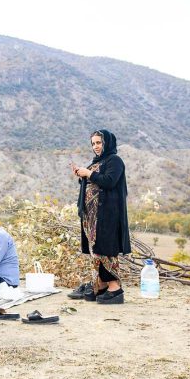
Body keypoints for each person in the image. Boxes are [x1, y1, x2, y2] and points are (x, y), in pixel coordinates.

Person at [71, 129, 131, 304]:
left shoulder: (115, 161)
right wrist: (81, 175)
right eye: (93, 143)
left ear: (107, 143)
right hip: (91, 217)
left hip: (107, 216)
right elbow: (94, 182)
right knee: (95, 251)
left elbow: (109, 181)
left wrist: (88, 173)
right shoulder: (97, 162)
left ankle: (115, 289)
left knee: (106, 250)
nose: (96, 146)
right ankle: (102, 285)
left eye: (99, 142)